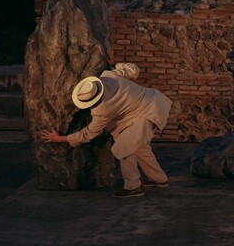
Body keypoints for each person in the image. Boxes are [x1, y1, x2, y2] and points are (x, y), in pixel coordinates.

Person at [41, 49, 172, 198]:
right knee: (141, 148)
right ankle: (159, 179)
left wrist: (60, 139)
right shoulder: (108, 76)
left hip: (149, 113)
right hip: (153, 101)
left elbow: (89, 133)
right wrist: (115, 64)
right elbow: (134, 70)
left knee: (123, 147)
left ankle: (133, 187)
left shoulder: (101, 109)